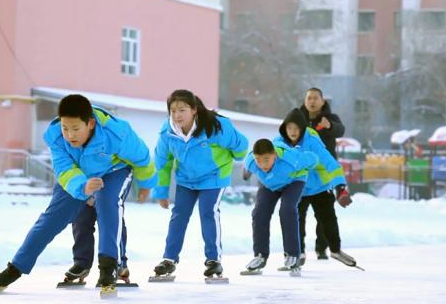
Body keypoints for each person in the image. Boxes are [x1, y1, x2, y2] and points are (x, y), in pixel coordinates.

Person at [0, 94, 156, 293]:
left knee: (108, 205)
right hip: (79, 176)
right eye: (65, 128)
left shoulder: (116, 132)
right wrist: (83, 187)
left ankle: (109, 267)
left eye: (75, 129)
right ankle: (15, 268)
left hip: (114, 171)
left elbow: (142, 157)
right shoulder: (56, 137)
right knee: (51, 219)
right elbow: (64, 168)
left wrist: (145, 184)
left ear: (90, 123)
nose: (70, 135)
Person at [152, 89, 249, 279]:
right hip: (186, 179)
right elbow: (162, 162)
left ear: (194, 110)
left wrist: (236, 153)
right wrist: (161, 191)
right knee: (178, 215)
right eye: (173, 111)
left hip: (213, 177)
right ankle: (169, 259)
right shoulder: (168, 132)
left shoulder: (216, 126)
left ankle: (213, 260)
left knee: (208, 212)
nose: (177, 115)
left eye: (182, 110)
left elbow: (241, 147)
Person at [275, 108, 357, 268]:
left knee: (328, 218)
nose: (292, 132)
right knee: (294, 219)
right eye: (289, 128)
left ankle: (335, 249)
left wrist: (340, 186)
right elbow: (265, 155)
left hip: (320, 185)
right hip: (297, 186)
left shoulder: (312, 142)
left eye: (296, 128)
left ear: (302, 129)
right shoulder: (279, 143)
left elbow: (331, 163)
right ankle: (297, 252)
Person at [242, 138, 318, 277]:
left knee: (287, 209)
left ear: (275, 155)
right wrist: (246, 173)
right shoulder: (251, 161)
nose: (262, 164)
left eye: (266, 159)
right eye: (259, 160)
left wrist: (304, 157)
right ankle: (260, 255)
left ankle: (293, 254)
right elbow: (246, 167)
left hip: (294, 181)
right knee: (259, 212)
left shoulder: (291, 159)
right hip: (270, 185)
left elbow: (313, 159)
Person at [299, 87, 351, 260]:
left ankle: (322, 247)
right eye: (309, 98)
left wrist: (330, 127)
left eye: (315, 98)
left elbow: (340, 130)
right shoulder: (297, 118)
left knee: (323, 213)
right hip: (302, 171)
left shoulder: (330, 118)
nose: (312, 101)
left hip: (323, 172)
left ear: (322, 101)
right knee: (298, 212)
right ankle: (298, 249)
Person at [63, 197, 131, 285]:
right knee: (81, 216)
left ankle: (119, 264)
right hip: (87, 188)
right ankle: (82, 264)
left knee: (112, 220)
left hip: (111, 188)